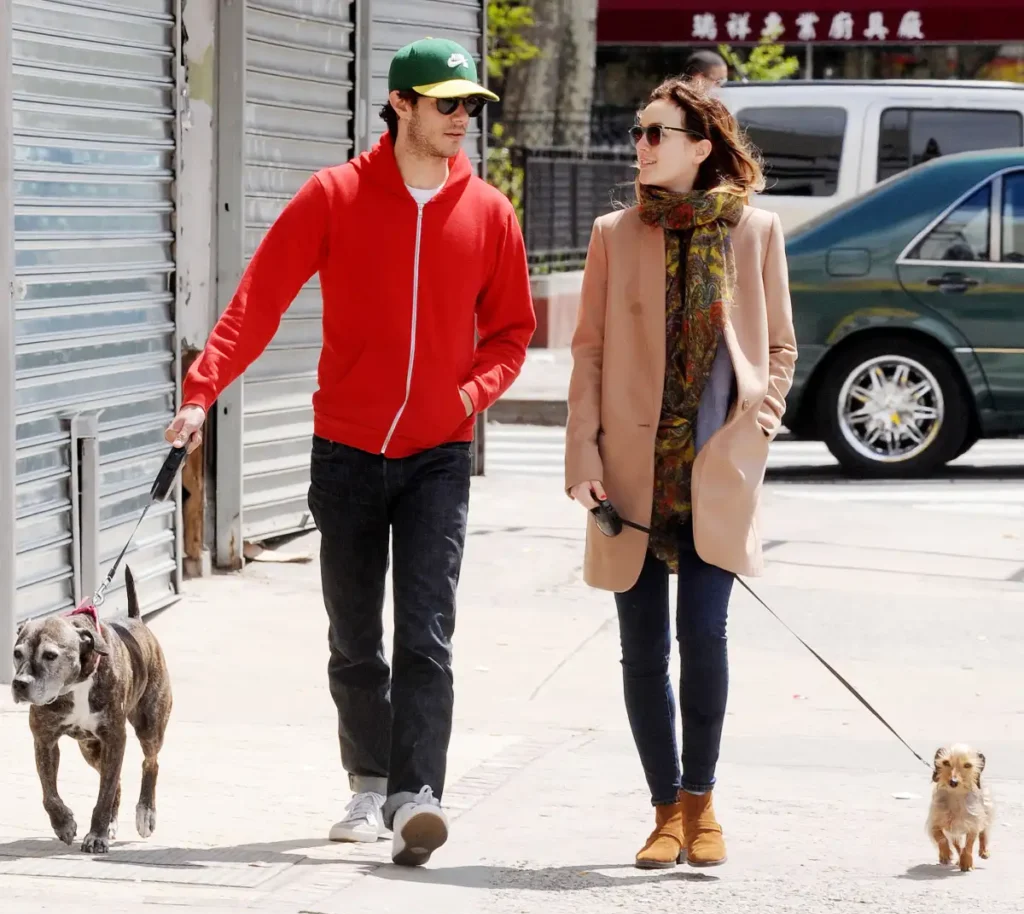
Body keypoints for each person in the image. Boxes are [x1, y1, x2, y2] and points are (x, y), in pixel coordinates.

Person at [165, 37, 536, 866]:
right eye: (447, 104)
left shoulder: (490, 213)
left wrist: (468, 394)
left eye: (471, 106)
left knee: (427, 635)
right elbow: (255, 302)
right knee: (356, 638)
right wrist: (201, 393)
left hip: (439, 452)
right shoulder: (334, 196)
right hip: (347, 450)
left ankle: (416, 797)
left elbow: (512, 332)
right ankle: (369, 780)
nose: (462, 120)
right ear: (401, 104)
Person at [563, 77, 796, 870]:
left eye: (658, 133)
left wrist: (760, 424)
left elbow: (781, 348)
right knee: (640, 650)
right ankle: (663, 808)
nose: (642, 146)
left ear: (702, 146)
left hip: (714, 467)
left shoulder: (756, 231)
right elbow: (588, 352)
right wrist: (582, 457)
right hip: (631, 473)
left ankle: (702, 801)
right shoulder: (612, 233)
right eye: (637, 132)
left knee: (704, 634)